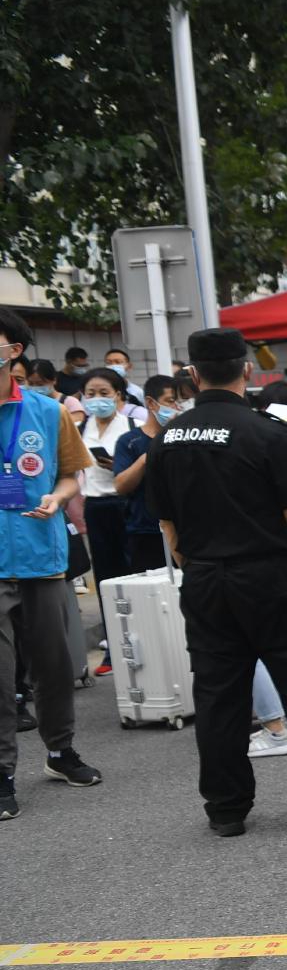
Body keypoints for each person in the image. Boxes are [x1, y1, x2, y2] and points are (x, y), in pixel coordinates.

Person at [146, 327, 287, 837]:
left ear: (193, 375)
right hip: (269, 576)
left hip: (204, 579)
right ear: (247, 370)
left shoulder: (168, 439)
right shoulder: (267, 433)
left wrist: (199, 565)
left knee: (219, 695)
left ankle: (226, 809)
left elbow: (168, 526)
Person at [0, 306, 103, 821]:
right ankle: (2, 772)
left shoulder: (49, 411)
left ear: (13, 350)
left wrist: (57, 498)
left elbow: (70, 474)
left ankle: (61, 752)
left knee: (56, 667)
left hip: (41, 556)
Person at [111, 373, 190, 572]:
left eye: (181, 402)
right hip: (145, 531)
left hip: (186, 528)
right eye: (171, 401)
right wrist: (147, 458)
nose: (177, 408)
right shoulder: (129, 441)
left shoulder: (187, 436)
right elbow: (121, 486)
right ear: (151, 403)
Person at [75, 367, 139, 596]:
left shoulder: (133, 427)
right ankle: (110, 625)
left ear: (118, 394)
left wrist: (119, 467)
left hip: (126, 503)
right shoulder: (80, 429)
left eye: (104, 392)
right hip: (94, 505)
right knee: (104, 569)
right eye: (90, 394)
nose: (96, 399)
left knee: (132, 564)